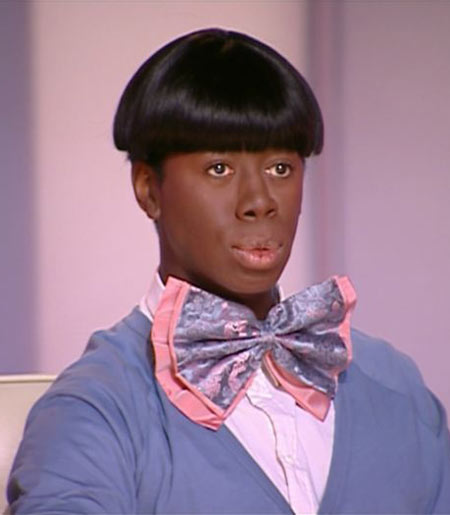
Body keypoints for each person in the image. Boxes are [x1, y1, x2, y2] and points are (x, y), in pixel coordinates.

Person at [6, 28, 450, 514]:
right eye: (219, 168)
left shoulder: (395, 386)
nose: (259, 201)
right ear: (148, 189)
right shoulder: (95, 410)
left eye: (280, 168)